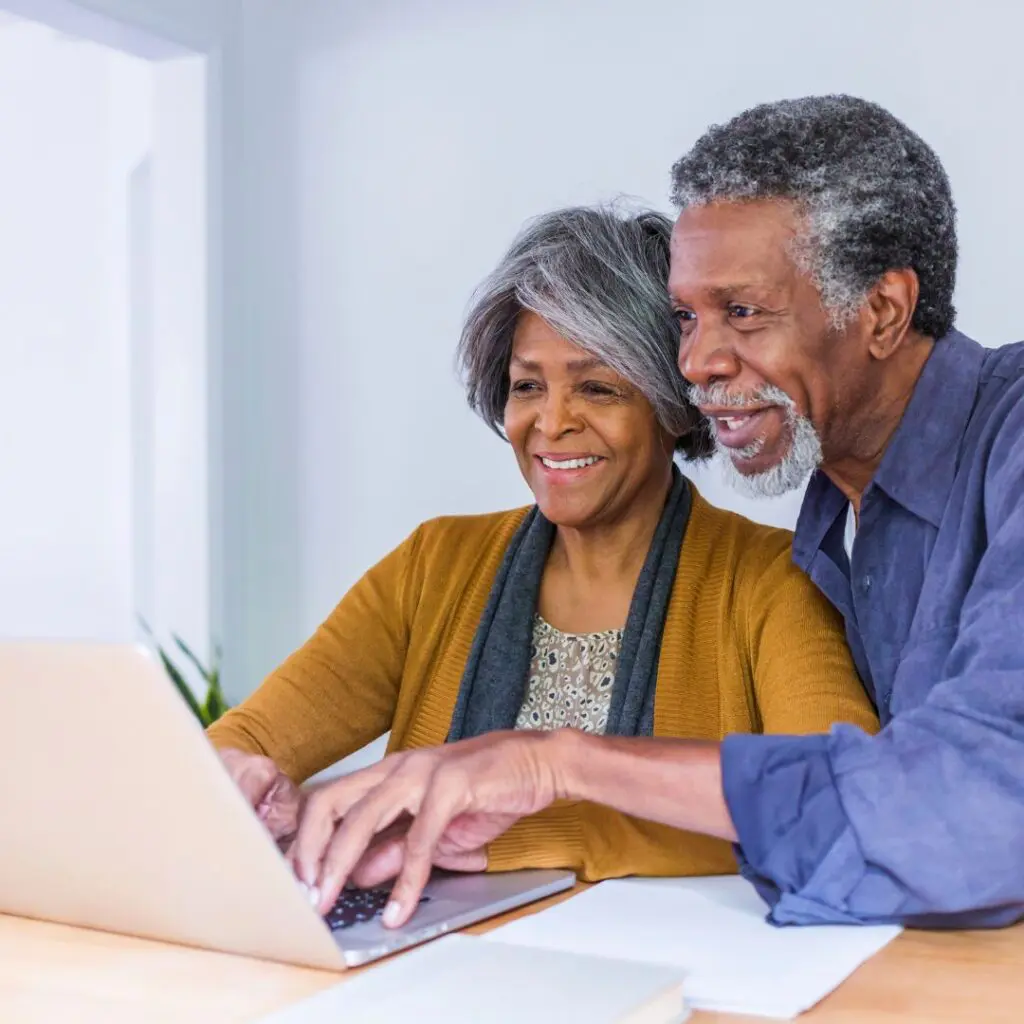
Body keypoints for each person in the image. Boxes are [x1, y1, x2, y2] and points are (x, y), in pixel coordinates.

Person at [291, 96, 1024, 933]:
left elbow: (979, 803)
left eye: (743, 311)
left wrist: (557, 765)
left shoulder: (1003, 449)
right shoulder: (838, 517)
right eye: (686, 318)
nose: (698, 362)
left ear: (883, 311)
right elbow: (866, 814)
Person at [208, 204, 876, 903]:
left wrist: (491, 840)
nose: (551, 423)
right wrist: (244, 786)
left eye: (597, 387)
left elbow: (838, 808)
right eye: (528, 386)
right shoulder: (434, 566)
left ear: (673, 404)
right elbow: (248, 739)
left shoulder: (773, 583)